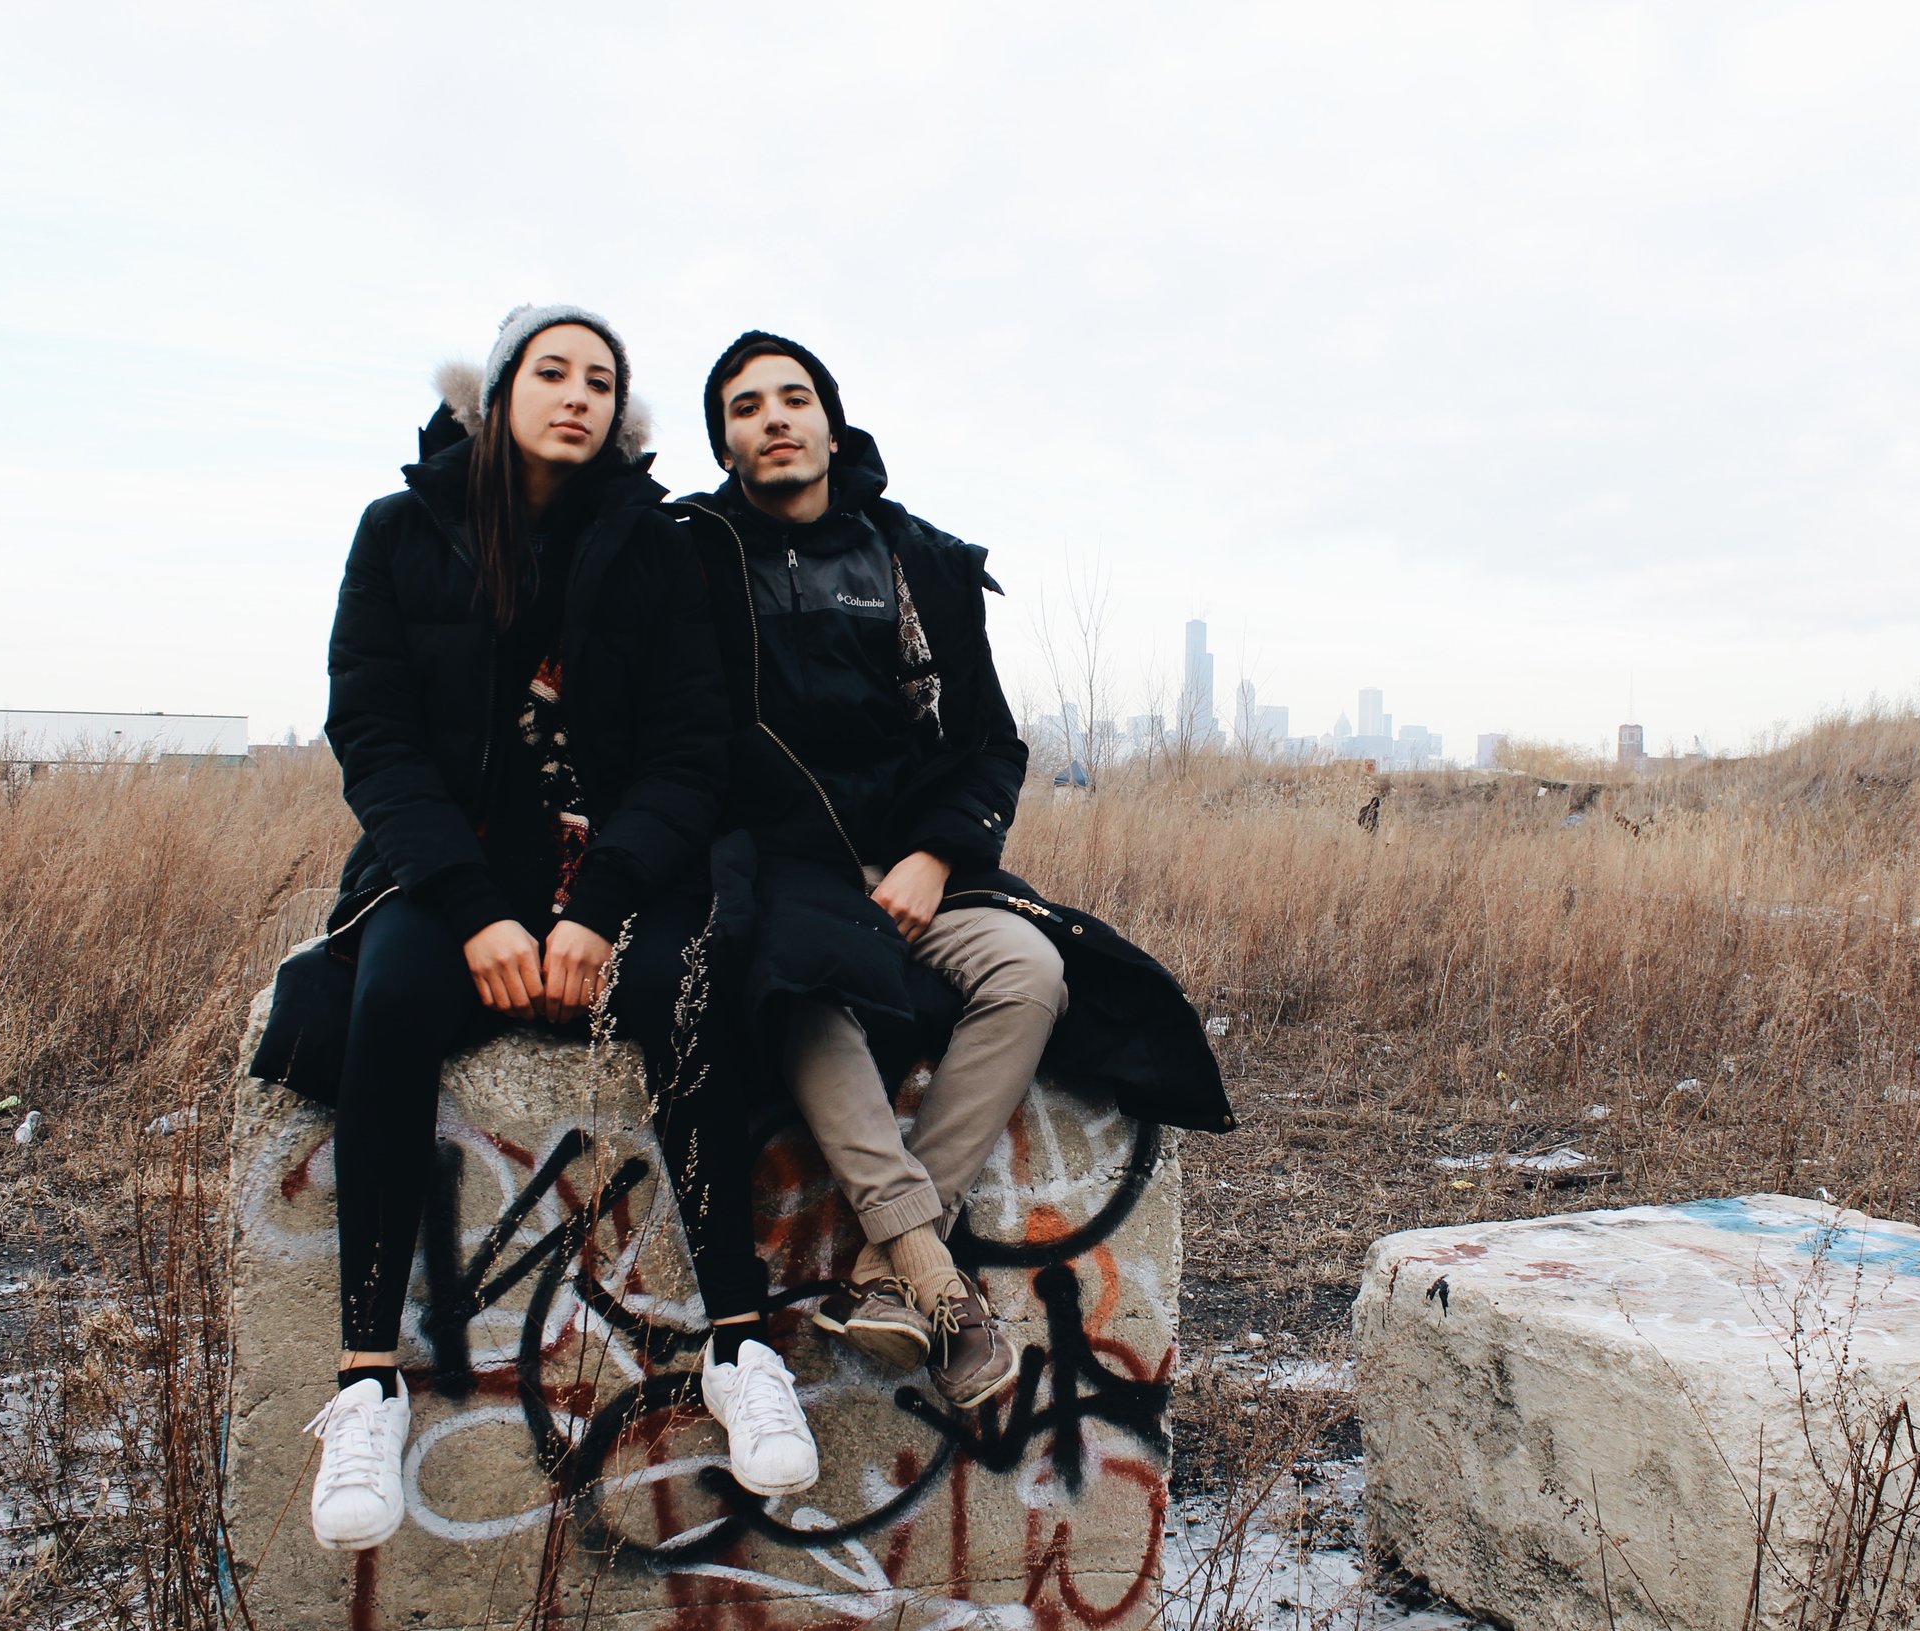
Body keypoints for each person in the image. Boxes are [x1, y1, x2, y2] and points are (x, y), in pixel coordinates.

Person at [302, 305, 816, 1552]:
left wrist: (594, 909)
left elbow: (693, 747)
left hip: (619, 873)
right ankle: (365, 1380)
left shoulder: (657, 547)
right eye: (551, 372)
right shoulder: (401, 531)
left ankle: (742, 1350)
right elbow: (371, 733)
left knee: (692, 1002)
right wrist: (474, 910)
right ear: (498, 392)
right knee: (385, 1007)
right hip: (449, 873)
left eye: (601, 380)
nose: (576, 395)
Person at [679, 332, 1238, 1412]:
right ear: (726, 443)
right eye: (747, 407)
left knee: (1031, 966)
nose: (775, 417)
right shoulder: (693, 558)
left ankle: (888, 1271)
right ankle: (938, 1282)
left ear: (832, 425)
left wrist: (937, 855)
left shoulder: (915, 561)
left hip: (911, 868)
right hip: (771, 871)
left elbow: (990, 741)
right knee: (795, 982)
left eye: (795, 397)